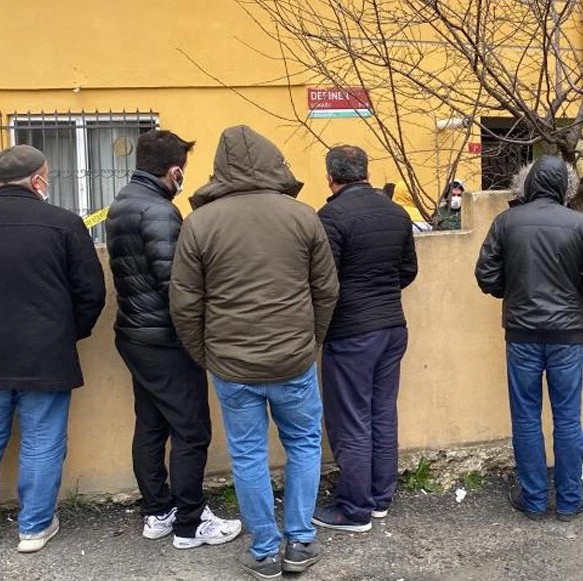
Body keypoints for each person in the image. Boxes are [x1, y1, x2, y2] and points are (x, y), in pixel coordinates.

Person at [170, 125, 340, 578]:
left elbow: (185, 303)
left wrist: (206, 354)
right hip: (293, 359)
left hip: (231, 364)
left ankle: (264, 550)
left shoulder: (199, 223)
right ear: (271, 162)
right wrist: (311, 341)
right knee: (303, 444)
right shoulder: (303, 217)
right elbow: (326, 291)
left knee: (248, 454)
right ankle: (300, 543)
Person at [0, 144, 106, 554]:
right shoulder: (65, 224)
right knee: (43, 440)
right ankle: (35, 527)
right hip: (48, 356)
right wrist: (67, 334)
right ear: (39, 179)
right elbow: (91, 292)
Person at [107, 130, 242, 549]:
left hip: (133, 333)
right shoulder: (161, 212)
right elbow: (175, 285)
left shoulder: (121, 203)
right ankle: (189, 522)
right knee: (191, 430)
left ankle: (157, 512)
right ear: (175, 170)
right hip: (165, 339)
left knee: (151, 425)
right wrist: (200, 334)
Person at [475, 155, 583, 522]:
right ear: (563, 186)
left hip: (521, 332)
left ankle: (534, 499)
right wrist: (573, 291)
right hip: (567, 334)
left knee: (526, 417)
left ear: (531, 183)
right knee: (567, 417)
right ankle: (569, 500)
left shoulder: (506, 222)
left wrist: (514, 289)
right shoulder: (582, 224)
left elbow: (486, 276)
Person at [312, 146, 418, 533]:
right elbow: (408, 269)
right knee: (382, 413)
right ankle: (379, 498)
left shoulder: (331, 216)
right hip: (392, 325)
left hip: (352, 331)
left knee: (351, 420)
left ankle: (354, 509)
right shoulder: (396, 212)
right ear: (365, 172)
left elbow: (325, 280)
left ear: (330, 177)